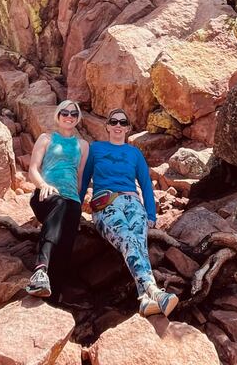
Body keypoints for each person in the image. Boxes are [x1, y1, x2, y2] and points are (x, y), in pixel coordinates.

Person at [80, 107, 179, 318]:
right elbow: (84, 180)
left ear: (128, 129)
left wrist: (151, 215)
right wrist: (75, 209)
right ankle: (154, 291)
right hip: (107, 203)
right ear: (107, 126)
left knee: (137, 242)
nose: (117, 126)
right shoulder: (95, 148)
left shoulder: (134, 153)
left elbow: (145, 184)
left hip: (134, 204)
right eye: (113, 122)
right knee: (126, 237)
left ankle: (144, 300)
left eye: (122, 123)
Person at [26, 99, 89, 301]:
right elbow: (33, 170)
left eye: (73, 113)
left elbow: (79, 178)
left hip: (71, 199)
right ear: (58, 115)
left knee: (67, 240)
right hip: (46, 195)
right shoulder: (46, 138)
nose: (69, 116)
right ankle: (40, 269)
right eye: (65, 112)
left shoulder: (83, 145)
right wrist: (43, 185)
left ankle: (53, 296)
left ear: (78, 118)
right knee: (60, 203)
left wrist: (78, 203)